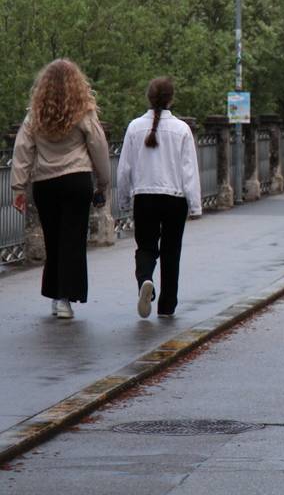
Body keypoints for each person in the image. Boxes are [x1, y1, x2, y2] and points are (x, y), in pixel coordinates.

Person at [11, 59, 111, 319]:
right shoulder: (84, 113)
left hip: (46, 183)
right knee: (73, 240)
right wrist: (103, 181)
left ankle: (56, 295)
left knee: (53, 240)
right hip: (76, 180)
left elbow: (22, 149)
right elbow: (98, 147)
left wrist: (18, 187)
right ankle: (66, 298)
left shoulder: (35, 115)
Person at [116, 77, 202, 319]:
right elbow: (189, 171)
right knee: (171, 251)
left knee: (145, 246)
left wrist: (123, 200)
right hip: (175, 198)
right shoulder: (182, 129)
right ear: (171, 99)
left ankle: (145, 280)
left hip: (144, 196)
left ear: (149, 97)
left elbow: (124, 169)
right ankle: (167, 305)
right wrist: (195, 206)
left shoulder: (134, 127)